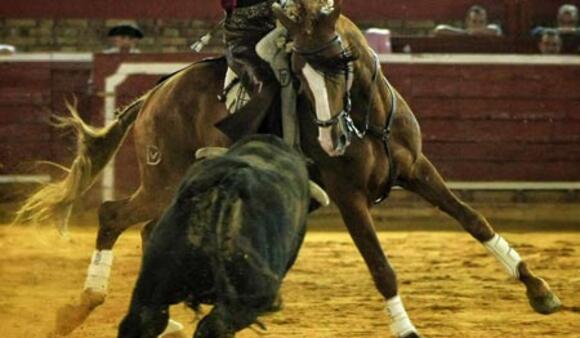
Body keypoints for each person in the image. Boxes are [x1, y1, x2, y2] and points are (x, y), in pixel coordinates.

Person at [433, 5, 503, 37]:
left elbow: (496, 30)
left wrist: (472, 32)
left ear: (486, 22)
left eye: (481, 21)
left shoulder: (491, 30)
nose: (477, 24)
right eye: (474, 21)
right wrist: (466, 33)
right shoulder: (463, 33)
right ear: (468, 21)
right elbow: (439, 29)